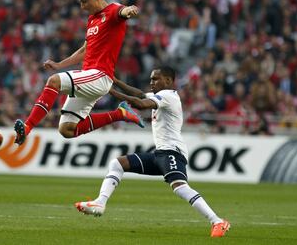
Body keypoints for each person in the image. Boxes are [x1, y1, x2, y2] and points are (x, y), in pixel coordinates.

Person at [75, 66, 231, 238]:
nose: (151, 82)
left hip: (173, 152)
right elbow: (140, 95)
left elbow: (140, 104)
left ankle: (217, 221)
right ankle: (100, 202)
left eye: (155, 79)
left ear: (169, 81)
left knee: (179, 187)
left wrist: (110, 90)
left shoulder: (168, 96)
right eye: (150, 79)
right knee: (118, 163)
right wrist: (116, 81)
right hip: (160, 154)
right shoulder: (161, 96)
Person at [14, 0, 144, 145]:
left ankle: (27, 127)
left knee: (54, 81)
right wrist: (59, 65)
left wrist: (130, 9)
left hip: (100, 76)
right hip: (89, 77)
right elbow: (84, 50)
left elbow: (123, 11)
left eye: (84, 1)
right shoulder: (92, 20)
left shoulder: (112, 11)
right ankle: (121, 114)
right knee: (67, 129)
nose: (82, 6)